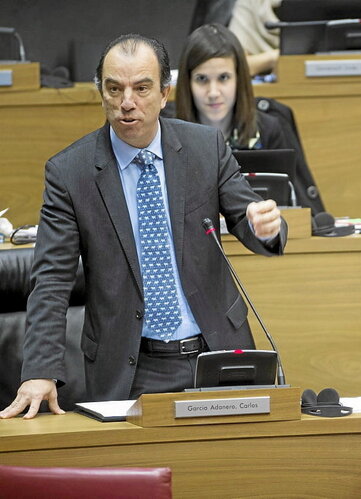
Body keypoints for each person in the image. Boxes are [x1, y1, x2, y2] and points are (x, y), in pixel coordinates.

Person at [0, 33, 287, 420]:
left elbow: (248, 218)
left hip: (216, 350)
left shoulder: (205, 148)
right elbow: (51, 278)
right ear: (100, 91)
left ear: (165, 92)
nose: (127, 102)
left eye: (141, 88)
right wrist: (39, 372)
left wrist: (265, 227)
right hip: (131, 365)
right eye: (114, 89)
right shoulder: (70, 173)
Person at [175, 23, 325, 214]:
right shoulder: (170, 134)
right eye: (202, 79)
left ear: (239, 79)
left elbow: (292, 209)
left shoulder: (269, 128)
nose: (213, 93)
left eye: (223, 78)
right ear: (187, 83)